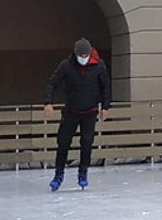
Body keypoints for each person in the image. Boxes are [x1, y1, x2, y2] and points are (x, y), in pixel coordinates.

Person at [43, 37, 111, 191]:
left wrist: (105, 106)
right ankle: (58, 174)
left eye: (85, 56)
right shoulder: (66, 66)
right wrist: (48, 102)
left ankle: (83, 173)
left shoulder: (99, 66)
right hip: (71, 111)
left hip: (90, 112)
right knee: (63, 143)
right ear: (75, 54)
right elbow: (52, 83)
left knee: (87, 143)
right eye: (80, 56)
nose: (83, 59)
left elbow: (106, 87)